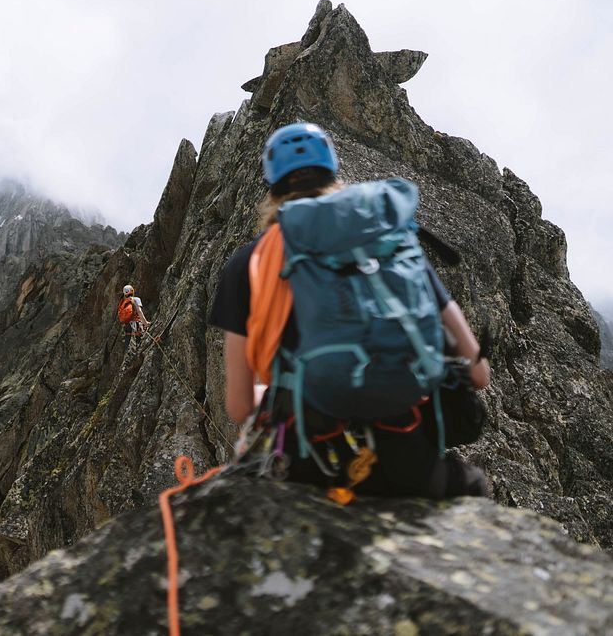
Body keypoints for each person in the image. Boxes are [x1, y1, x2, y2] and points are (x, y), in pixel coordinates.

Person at [209, 122, 490, 499]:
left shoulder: (251, 262)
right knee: (472, 489)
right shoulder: (391, 240)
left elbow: (240, 404)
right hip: (410, 461)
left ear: (272, 188)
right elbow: (478, 372)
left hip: (310, 466)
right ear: (333, 173)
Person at [119, 284, 150, 352]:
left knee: (127, 344)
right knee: (139, 343)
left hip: (127, 325)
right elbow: (139, 311)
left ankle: (127, 353)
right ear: (132, 291)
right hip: (137, 324)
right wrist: (146, 323)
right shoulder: (136, 299)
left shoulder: (123, 302)